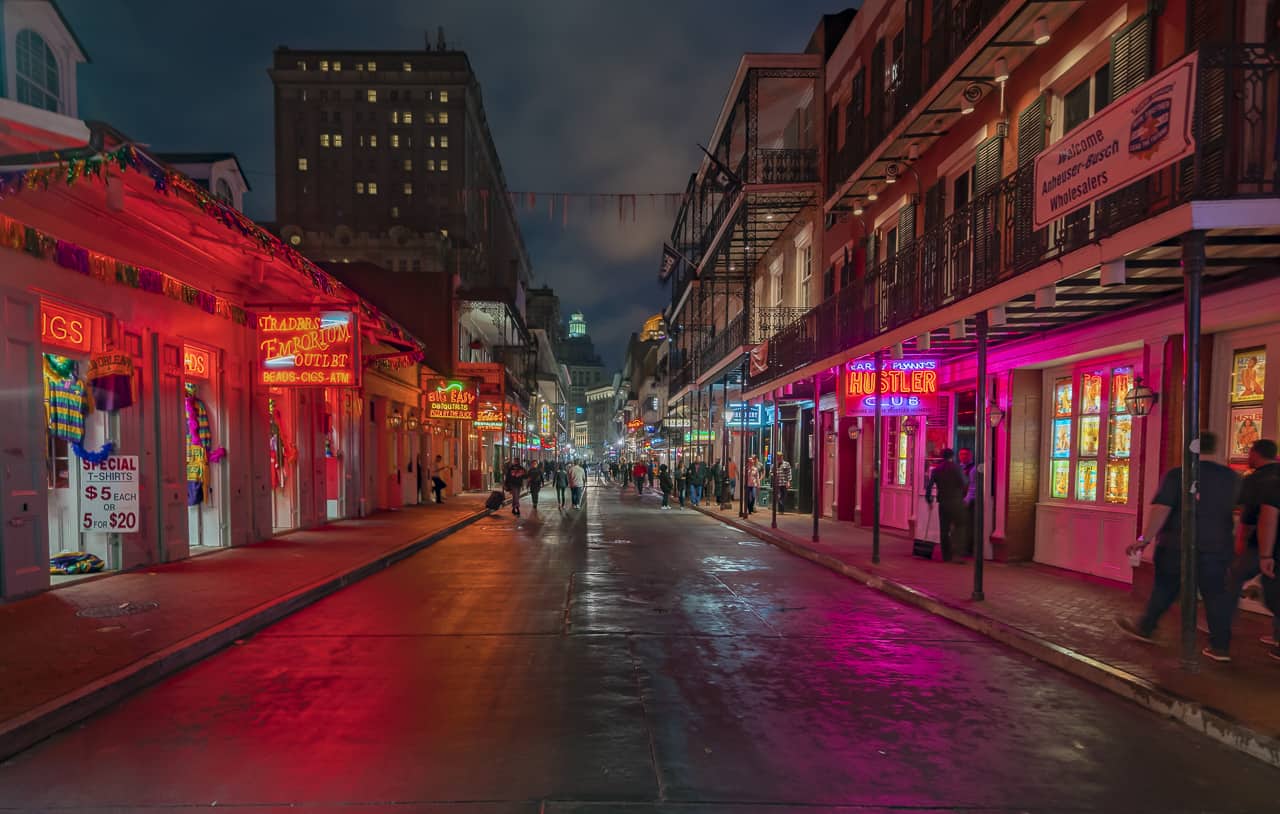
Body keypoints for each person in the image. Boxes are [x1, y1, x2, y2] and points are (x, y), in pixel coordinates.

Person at [1116, 432, 1241, 662]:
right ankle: (1220, 646)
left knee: (1165, 587)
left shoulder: (1178, 475)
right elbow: (1237, 514)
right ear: (1215, 448)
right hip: (1216, 546)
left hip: (1176, 545)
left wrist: (1145, 538)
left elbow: (1162, 508)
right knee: (1215, 595)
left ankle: (1147, 626)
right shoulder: (1231, 478)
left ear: (1190, 448)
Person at [1229, 439, 1280, 660]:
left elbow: (1255, 517)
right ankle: (1277, 637)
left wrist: (1262, 552)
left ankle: (1221, 626)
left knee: (1231, 579)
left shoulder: (1256, 480)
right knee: (1276, 590)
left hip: (1261, 546)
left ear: (1255, 453)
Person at [925, 448, 967, 563]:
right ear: (952, 456)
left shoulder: (936, 470)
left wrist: (929, 500)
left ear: (942, 456)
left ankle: (946, 556)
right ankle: (958, 553)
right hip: (956, 501)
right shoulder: (957, 468)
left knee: (944, 530)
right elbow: (964, 482)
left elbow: (929, 486)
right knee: (960, 526)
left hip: (943, 502)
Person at [958, 447, 976, 558]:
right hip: (958, 500)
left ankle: (968, 549)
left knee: (968, 526)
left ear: (970, 455)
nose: (963, 456)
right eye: (961, 454)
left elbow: (973, 487)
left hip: (968, 501)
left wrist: (967, 500)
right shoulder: (958, 468)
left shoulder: (973, 469)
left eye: (966, 454)